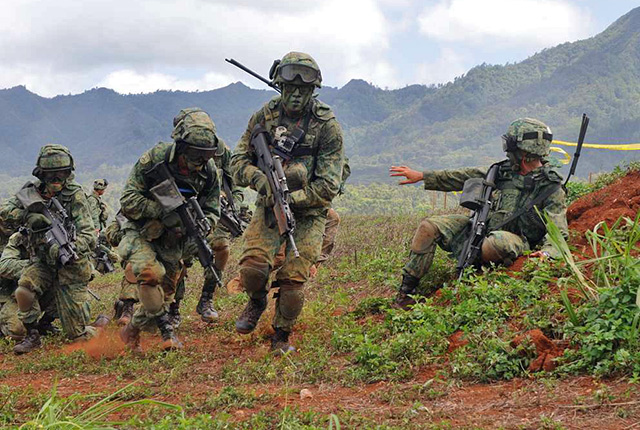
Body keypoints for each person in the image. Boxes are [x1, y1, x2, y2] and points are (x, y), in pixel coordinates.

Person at [231, 51, 345, 354]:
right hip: (268, 206)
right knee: (253, 269)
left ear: (313, 90)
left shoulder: (327, 126)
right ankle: (256, 302)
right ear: (279, 86)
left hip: (309, 212)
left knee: (294, 278)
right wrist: (258, 179)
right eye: (290, 88)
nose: (296, 95)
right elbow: (238, 161)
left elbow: (328, 185)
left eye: (303, 90)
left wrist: (292, 197)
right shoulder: (263, 117)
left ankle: (280, 336)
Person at [390, 118, 568, 307]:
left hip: (515, 240)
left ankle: (477, 273)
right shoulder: (502, 171)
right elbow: (464, 176)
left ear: (524, 152)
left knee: (494, 243)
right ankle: (406, 293)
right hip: (483, 228)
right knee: (429, 227)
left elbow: (558, 229)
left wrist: (548, 253)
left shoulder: (550, 186)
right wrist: (423, 176)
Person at [117, 108, 220, 352]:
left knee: (164, 296)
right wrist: (162, 210)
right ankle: (167, 332)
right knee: (150, 274)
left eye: (206, 155)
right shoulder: (155, 159)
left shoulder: (209, 172)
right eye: (194, 154)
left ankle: (132, 329)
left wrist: (203, 225)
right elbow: (128, 201)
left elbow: (213, 208)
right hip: (142, 232)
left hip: (175, 240)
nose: (199, 161)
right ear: (181, 147)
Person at [0, 144, 102, 354]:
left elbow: (88, 234)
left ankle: (97, 328)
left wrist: (70, 247)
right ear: (41, 173)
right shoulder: (31, 192)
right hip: (43, 261)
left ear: (68, 173)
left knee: (78, 336)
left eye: (61, 173)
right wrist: (28, 216)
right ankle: (33, 336)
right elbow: (5, 211)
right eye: (51, 174)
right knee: (25, 288)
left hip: (71, 264)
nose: (56, 179)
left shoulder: (75, 196)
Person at [167, 108, 246, 327]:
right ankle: (173, 307)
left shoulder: (222, 152)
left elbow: (235, 184)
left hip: (214, 212)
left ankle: (206, 298)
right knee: (179, 261)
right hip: (181, 213)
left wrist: (231, 202)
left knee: (220, 246)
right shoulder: (171, 155)